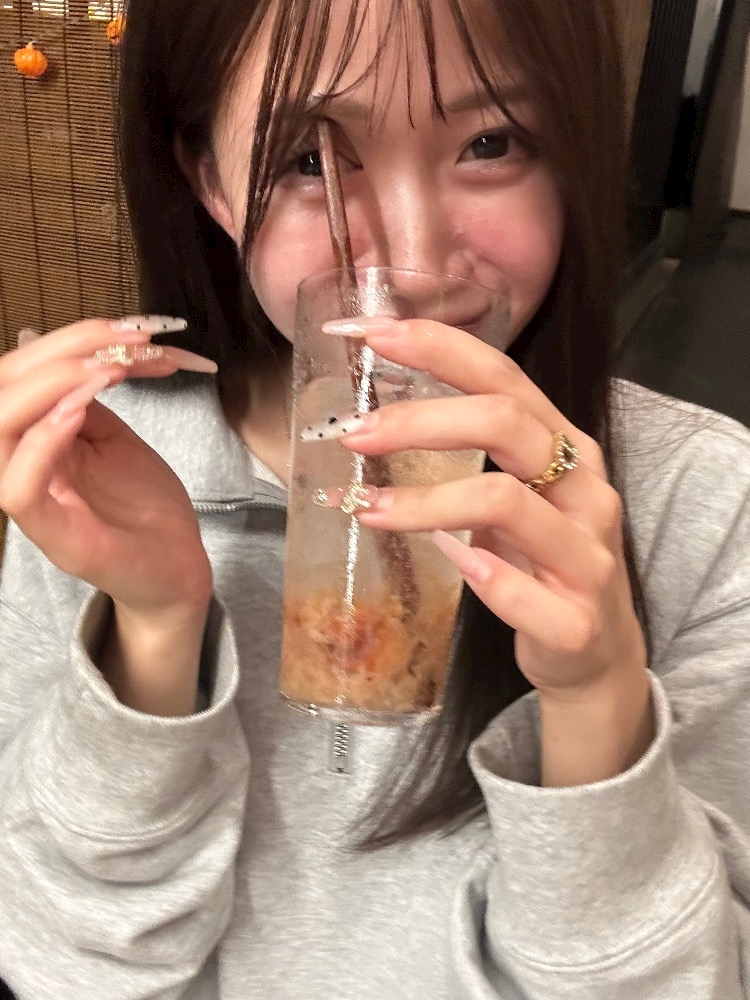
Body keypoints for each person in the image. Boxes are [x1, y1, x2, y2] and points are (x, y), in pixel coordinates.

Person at [0, 0, 748, 996]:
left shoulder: (705, 500)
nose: (415, 266)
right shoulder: (93, 473)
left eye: (491, 142)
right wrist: (151, 629)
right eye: (307, 162)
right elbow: (61, 968)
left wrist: (597, 703)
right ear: (209, 180)